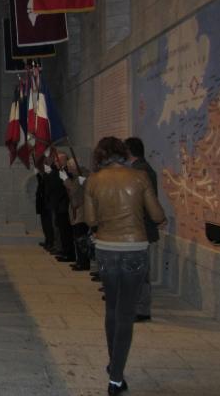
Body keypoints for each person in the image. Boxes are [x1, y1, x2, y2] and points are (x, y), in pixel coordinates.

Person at [84, 137, 166, 395]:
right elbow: (157, 215)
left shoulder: (94, 181)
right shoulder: (139, 177)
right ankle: (116, 377)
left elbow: (90, 219)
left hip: (106, 249)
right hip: (134, 249)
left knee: (112, 307)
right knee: (126, 313)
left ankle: (113, 364)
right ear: (122, 153)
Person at [125, 136, 159, 323]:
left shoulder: (141, 172)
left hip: (141, 227)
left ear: (129, 151)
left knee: (140, 271)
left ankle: (142, 309)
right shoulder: (140, 170)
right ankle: (138, 305)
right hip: (139, 227)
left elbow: (144, 204)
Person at [61, 158, 90, 271]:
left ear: (73, 167)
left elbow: (72, 189)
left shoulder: (82, 176)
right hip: (75, 210)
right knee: (77, 237)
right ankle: (80, 260)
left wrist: (66, 180)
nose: (69, 170)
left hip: (81, 211)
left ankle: (83, 263)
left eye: (69, 168)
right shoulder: (77, 176)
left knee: (81, 238)